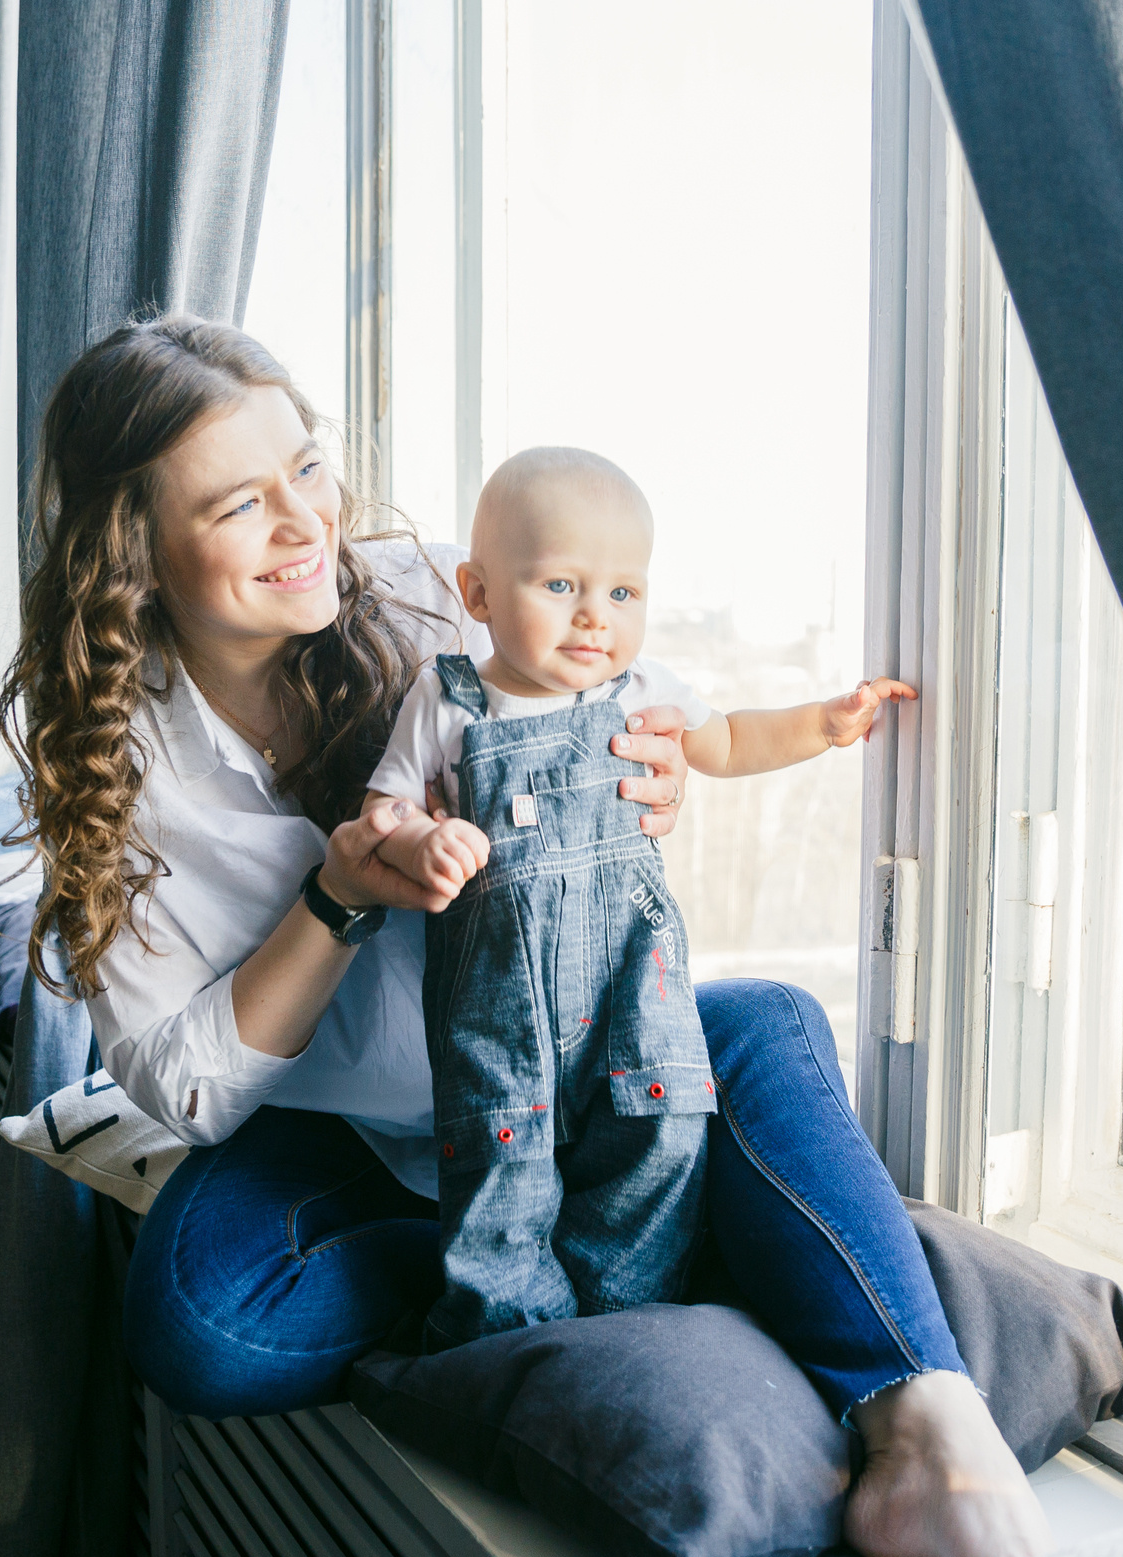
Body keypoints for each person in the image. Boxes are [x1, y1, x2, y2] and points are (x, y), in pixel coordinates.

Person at [1, 313, 1051, 1557]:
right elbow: (185, 1088)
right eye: (239, 505)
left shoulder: (442, 594)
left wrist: (649, 779)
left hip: (570, 1068)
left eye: (309, 468)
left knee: (767, 1025)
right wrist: (336, 897)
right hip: (361, 1145)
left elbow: (634, 711)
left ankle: (928, 1421)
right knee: (197, 1324)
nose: (305, 523)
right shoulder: (121, 768)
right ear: (136, 552)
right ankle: (537, 1253)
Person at [363, 445, 917, 1348]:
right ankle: (512, 1335)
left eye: (624, 594)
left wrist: (821, 725)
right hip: (498, 995)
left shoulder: (640, 690)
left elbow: (728, 741)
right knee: (502, 1153)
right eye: (559, 587)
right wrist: (422, 838)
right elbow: (383, 804)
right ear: (478, 594)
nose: (595, 618)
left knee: (660, 1128)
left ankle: (623, 1313)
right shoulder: (451, 698)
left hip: (633, 970)